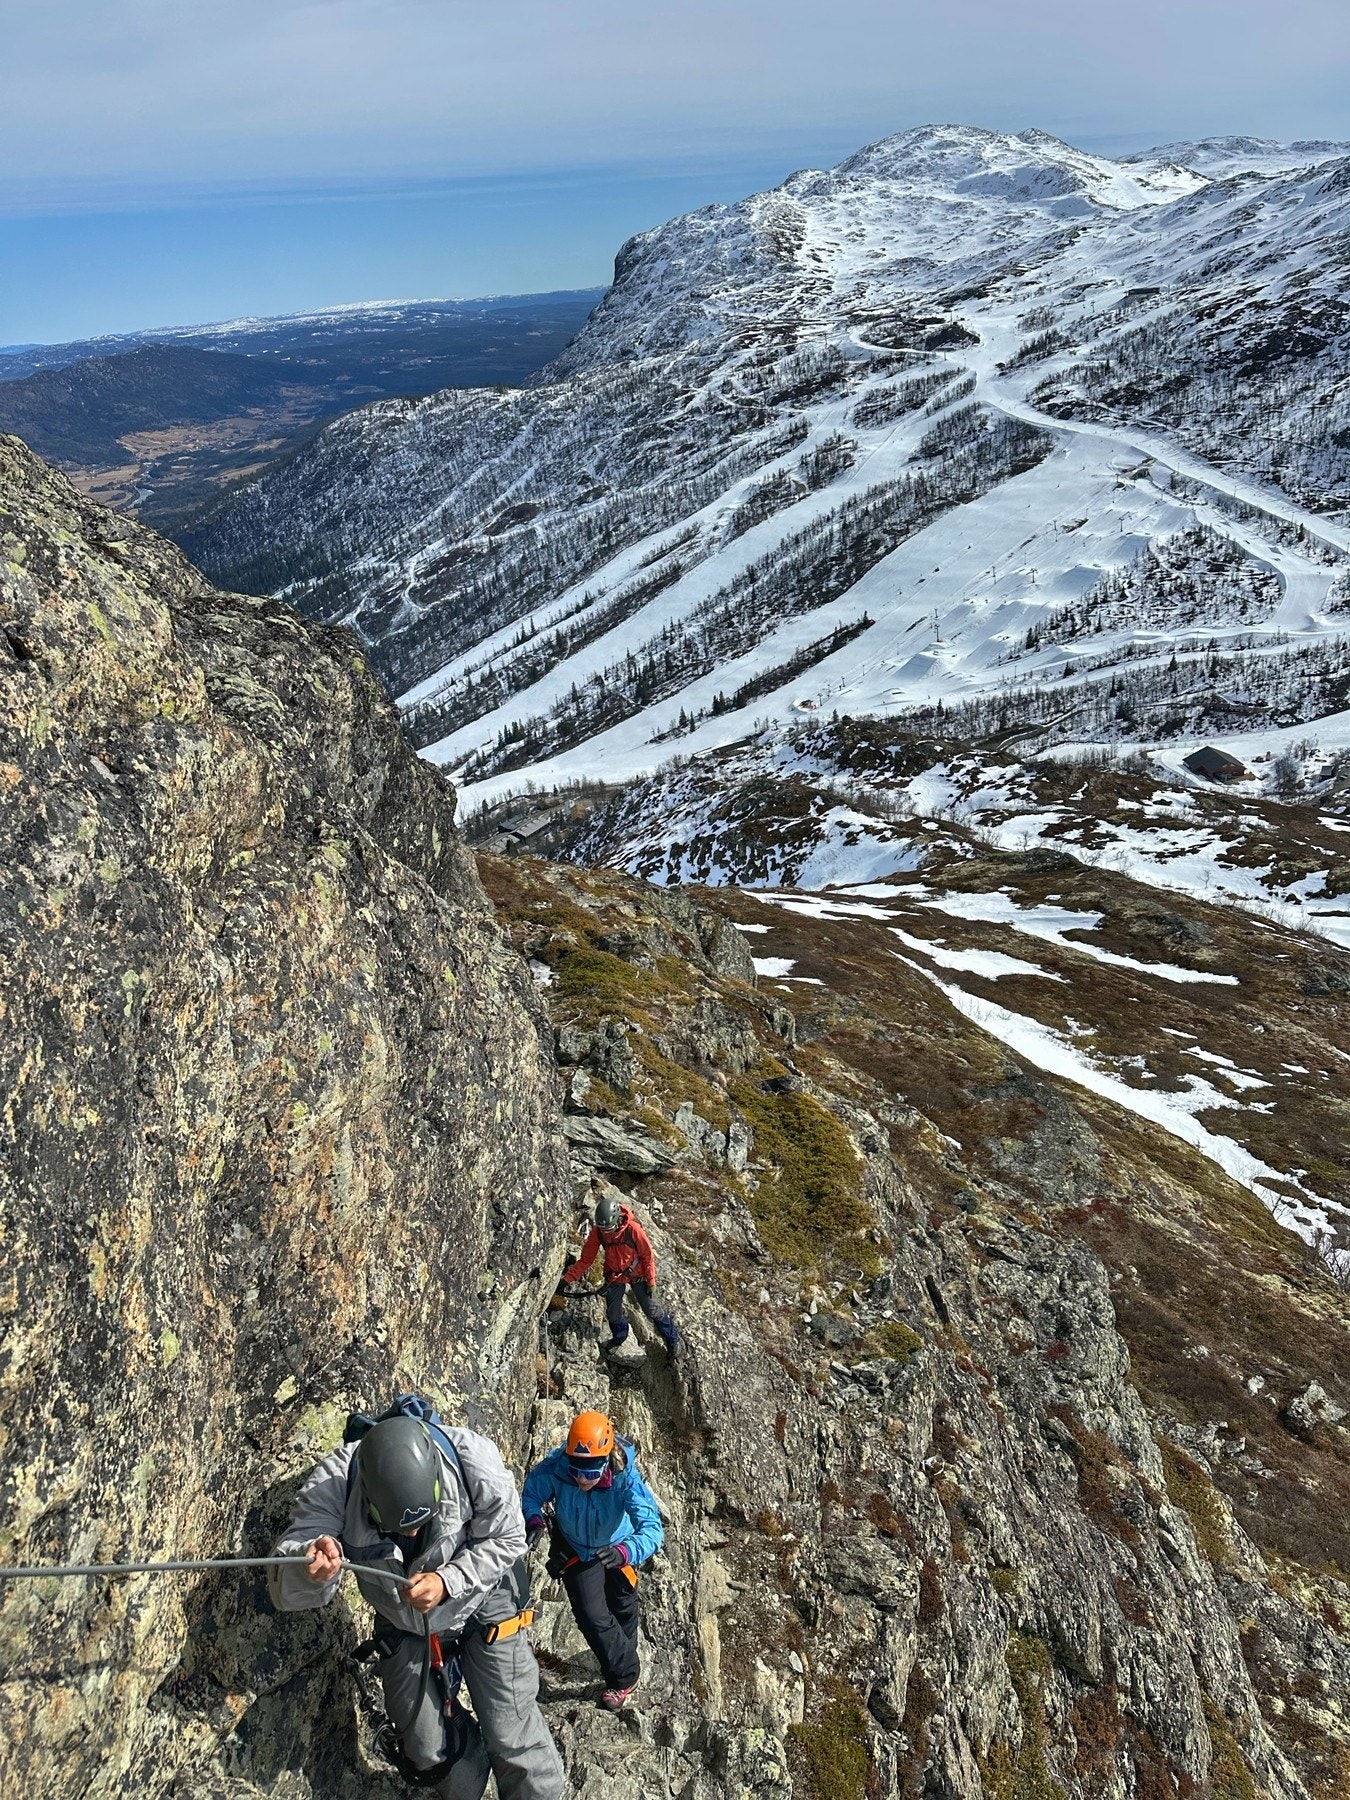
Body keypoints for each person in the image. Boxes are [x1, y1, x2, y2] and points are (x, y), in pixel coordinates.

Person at [269, 1397, 565, 1800]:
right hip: (402, 1619)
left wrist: (448, 1580)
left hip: (482, 1602)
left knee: (510, 1730)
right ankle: (468, 1774)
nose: (410, 1534)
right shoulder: (337, 1480)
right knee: (427, 1751)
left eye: (421, 1522)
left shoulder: (472, 1459)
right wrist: (310, 1566)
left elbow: (509, 1538)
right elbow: (287, 1572)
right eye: (395, 1525)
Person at [521, 1409, 663, 1710]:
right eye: (577, 1471)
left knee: (622, 1604)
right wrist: (533, 1520)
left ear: (606, 1460)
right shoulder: (558, 1467)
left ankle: (620, 1661)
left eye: (591, 1472)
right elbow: (532, 1492)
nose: (582, 1480)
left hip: (617, 1545)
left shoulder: (624, 1478)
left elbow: (652, 1528)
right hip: (576, 1547)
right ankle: (624, 1677)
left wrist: (626, 1552)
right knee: (591, 1614)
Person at [563, 1191, 678, 1360]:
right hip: (614, 1276)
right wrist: (567, 1279)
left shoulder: (633, 1230)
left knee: (652, 1310)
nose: (606, 1233)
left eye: (609, 1229)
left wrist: (651, 1280)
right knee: (613, 1312)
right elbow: (586, 1259)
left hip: (638, 1275)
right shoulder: (599, 1231)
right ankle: (619, 1337)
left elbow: (647, 1256)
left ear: (617, 1220)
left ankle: (673, 1341)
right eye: (603, 1229)